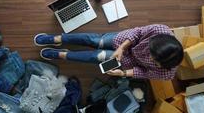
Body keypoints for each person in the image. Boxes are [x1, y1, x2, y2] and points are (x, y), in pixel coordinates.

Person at [34, 24, 183, 80]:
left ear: (163, 65)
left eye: (154, 59)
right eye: (151, 51)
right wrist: (121, 48)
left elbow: (143, 72)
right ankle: (58, 38)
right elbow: (137, 33)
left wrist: (123, 74)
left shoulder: (167, 74)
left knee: (97, 57)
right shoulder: (160, 30)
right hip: (126, 42)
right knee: (96, 41)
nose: (149, 56)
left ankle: (63, 54)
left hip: (129, 62)